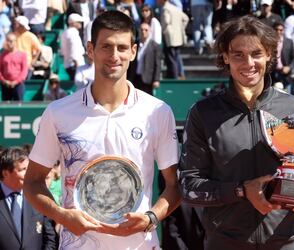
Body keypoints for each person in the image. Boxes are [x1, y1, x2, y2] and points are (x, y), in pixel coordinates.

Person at [23, 10, 180, 250]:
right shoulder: (58, 112)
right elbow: (32, 182)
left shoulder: (158, 112)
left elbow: (174, 185)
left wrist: (151, 218)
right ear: (90, 49)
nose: (114, 56)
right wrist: (62, 215)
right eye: (106, 46)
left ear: (134, 51)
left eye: (122, 47)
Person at [178, 16, 294, 249]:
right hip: (224, 243)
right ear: (225, 57)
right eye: (238, 54)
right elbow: (189, 186)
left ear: (269, 54)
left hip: (286, 242)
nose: (248, 63)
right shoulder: (203, 113)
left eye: (256, 53)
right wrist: (241, 190)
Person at [0, 147, 57, 249]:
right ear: (5, 173)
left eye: (29, 169)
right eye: (23, 169)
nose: (28, 174)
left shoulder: (39, 196)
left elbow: (50, 237)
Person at [158, 0, 189, 79]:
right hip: (177, 37)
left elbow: (166, 21)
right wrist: (180, 28)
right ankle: (179, 75)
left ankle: (174, 77)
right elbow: (186, 18)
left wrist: (165, 30)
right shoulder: (176, 8)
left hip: (169, 37)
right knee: (176, 57)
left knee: (171, 59)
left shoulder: (165, 9)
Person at [130, 22, 161, 95]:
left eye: (146, 30)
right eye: (142, 30)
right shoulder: (134, 44)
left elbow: (158, 64)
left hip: (147, 79)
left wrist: (156, 80)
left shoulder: (155, 46)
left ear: (149, 31)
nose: (143, 32)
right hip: (134, 78)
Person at [0, 32, 28, 101]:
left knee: (19, 105)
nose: (10, 43)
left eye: (11, 41)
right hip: (5, 85)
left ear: (15, 42)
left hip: (18, 85)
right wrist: (4, 81)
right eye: (8, 41)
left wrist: (16, 82)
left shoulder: (22, 55)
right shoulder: (2, 55)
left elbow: (24, 71)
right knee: (6, 107)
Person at [60, 13, 86, 80]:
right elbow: (74, 50)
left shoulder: (65, 32)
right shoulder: (73, 33)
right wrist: (78, 67)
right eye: (79, 22)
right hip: (75, 65)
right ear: (73, 23)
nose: (80, 23)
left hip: (69, 64)